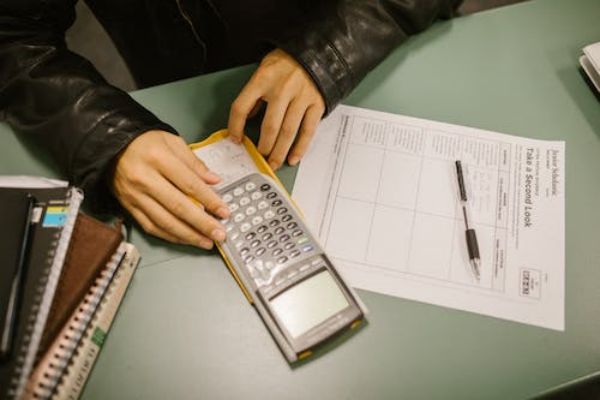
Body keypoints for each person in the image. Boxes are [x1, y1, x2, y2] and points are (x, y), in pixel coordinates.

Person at [0, 0, 462, 249]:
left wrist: (327, 54)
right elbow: (13, 33)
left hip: (374, 62)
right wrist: (106, 136)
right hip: (180, 110)